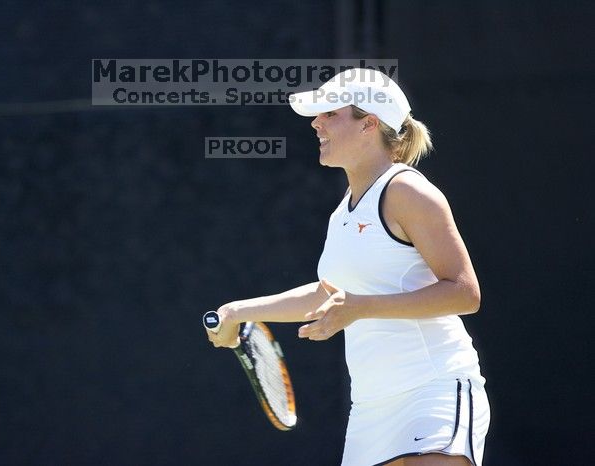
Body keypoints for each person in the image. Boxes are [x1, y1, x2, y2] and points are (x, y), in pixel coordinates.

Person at [206, 68, 490, 466]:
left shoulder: (408, 191)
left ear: (369, 124)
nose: (315, 123)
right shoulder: (342, 212)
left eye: (330, 114)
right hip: (371, 408)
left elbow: (464, 292)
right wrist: (240, 310)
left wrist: (362, 307)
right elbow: (330, 293)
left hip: (434, 388)